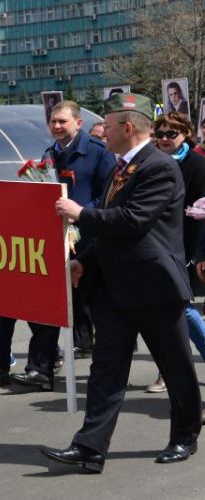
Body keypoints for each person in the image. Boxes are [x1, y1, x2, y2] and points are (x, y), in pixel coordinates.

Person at [48, 93, 201, 473]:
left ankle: (184, 434)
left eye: (110, 127)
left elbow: (133, 221)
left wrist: (81, 212)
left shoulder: (159, 167)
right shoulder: (123, 168)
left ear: (127, 127)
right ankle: (90, 448)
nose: (104, 134)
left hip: (154, 287)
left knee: (175, 364)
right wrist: (83, 260)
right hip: (116, 287)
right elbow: (112, 230)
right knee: (106, 369)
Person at [43, 101, 116, 358]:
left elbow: (108, 196)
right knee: (69, 297)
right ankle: (78, 346)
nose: (57, 126)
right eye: (53, 121)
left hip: (93, 239)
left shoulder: (99, 152)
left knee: (99, 302)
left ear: (79, 123)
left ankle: (111, 358)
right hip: (63, 238)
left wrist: (80, 213)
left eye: (63, 121)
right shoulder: (49, 154)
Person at [144, 112, 205, 393]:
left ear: (186, 135)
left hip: (187, 245)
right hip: (158, 244)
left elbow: (201, 211)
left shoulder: (196, 164)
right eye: (161, 134)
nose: (165, 139)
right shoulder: (150, 161)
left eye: (172, 134)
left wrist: (198, 254)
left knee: (181, 308)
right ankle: (167, 371)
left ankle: (169, 371)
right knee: (169, 309)